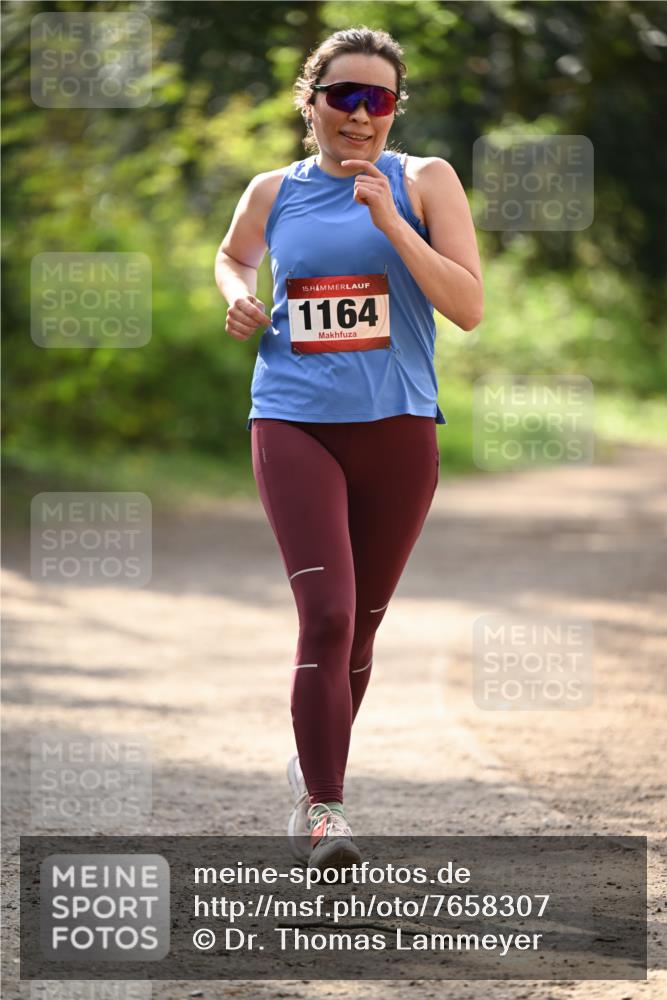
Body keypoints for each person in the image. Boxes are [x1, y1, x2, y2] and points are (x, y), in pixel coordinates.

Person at [214, 26, 483, 872]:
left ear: (394, 110)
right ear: (313, 102)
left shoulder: (423, 181)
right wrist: (239, 296)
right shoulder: (272, 191)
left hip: (397, 426)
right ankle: (325, 810)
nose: (361, 116)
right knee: (325, 614)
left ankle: (312, 760)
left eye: (379, 100)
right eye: (344, 97)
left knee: (360, 629)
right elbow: (231, 256)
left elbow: (468, 306)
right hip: (292, 417)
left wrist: (391, 223)